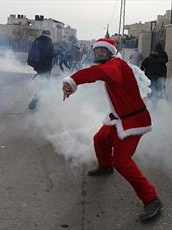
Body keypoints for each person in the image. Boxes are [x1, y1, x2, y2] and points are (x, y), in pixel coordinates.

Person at [62, 38, 162, 221]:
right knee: (100, 139)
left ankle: (152, 199)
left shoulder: (115, 65)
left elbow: (98, 72)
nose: (100, 54)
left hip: (134, 121)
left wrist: (73, 80)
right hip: (118, 117)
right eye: (97, 51)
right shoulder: (112, 64)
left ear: (111, 52)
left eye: (103, 51)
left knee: (122, 161)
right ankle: (105, 166)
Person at [27, 30, 54, 110]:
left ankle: (35, 102)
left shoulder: (37, 40)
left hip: (39, 66)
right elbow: (48, 54)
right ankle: (33, 103)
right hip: (45, 67)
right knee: (44, 86)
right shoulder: (47, 41)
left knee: (43, 85)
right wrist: (57, 53)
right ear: (48, 34)